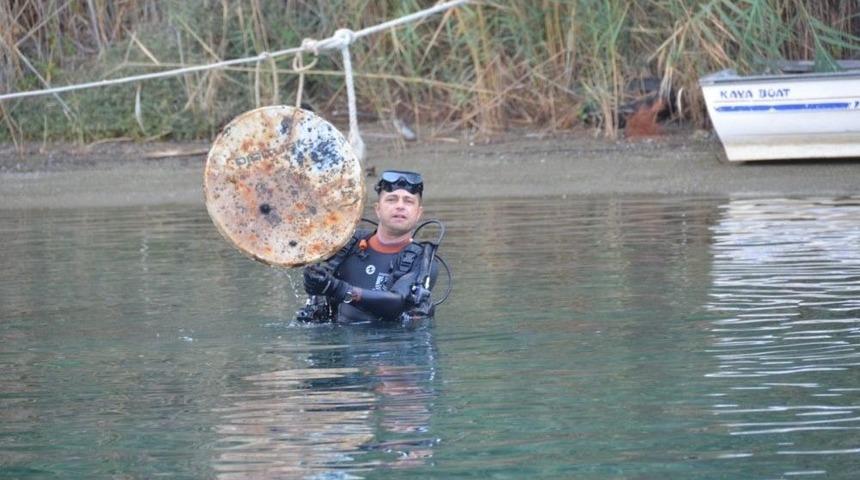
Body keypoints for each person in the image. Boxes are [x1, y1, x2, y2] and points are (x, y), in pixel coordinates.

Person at [297, 170, 441, 324]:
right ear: (377, 209)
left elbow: (397, 303)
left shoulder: (423, 261)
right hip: (337, 340)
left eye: (408, 201)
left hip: (390, 343)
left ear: (419, 213)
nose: (400, 206)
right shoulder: (347, 243)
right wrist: (313, 279)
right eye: (392, 199)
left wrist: (338, 289)